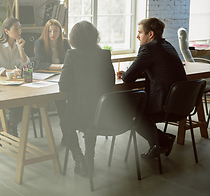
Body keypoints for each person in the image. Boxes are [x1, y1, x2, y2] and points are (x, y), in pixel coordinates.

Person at [117, 17, 187, 159]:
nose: (137, 36)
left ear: (150, 34)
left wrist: (130, 73)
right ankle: (158, 144)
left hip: (165, 104)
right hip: (182, 104)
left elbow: (127, 78)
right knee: (138, 109)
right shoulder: (166, 45)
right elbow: (159, 67)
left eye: (140, 32)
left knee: (133, 113)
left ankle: (163, 141)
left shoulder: (147, 48)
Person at [59, 20, 115, 177]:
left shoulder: (72, 55)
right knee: (91, 123)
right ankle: (89, 159)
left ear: (74, 38)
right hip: (104, 113)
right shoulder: (104, 55)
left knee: (65, 122)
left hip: (82, 113)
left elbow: (63, 85)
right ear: (94, 37)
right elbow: (111, 82)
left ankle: (79, 158)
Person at [0, 17, 30, 136]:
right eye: (16, 29)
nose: (19, 31)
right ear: (6, 31)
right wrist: (8, 71)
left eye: (20, 28)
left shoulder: (17, 45)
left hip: (15, 85)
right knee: (18, 102)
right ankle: (10, 124)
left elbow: (26, 65)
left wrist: (21, 49)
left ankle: (11, 123)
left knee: (28, 101)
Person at [34, 19, 71, 144]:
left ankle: (67, 134)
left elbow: (71, 60)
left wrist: (63, 68)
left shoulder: (65, 43)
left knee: (63, 103)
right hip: (47, 79)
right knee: (61, 103)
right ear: (46, 32)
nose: (52, 34)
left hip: (62, 78)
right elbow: (39, 64)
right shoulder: (39, 43)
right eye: (49, 31)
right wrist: (60, 66)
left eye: (56, 30)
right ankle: (67, 133)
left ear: (60, 31)